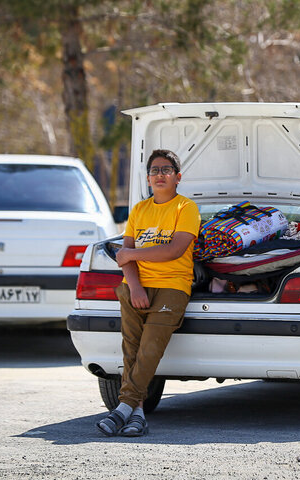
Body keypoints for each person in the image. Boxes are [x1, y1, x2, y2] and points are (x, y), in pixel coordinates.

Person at [96, 149, 200, 437]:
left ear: (178, 177)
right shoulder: (140, 210)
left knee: (150, 349)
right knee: (132, 349)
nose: (160, 175)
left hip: (172, 287)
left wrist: (131, 253)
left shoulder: (185, 208)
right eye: (154, 170)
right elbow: (123, 258)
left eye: (166, 170)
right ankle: (137, 414)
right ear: (147, 177)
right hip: (135, 288)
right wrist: (136, 286)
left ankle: (123, 407)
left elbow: (173, 250)